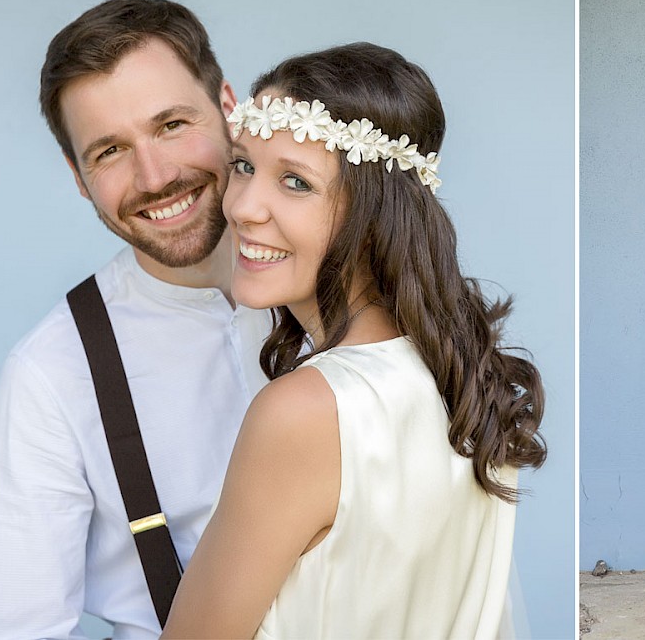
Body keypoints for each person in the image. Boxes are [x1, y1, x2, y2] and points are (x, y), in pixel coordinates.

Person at [161, 43, 547, 639]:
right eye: (243, 165)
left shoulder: (304, 414)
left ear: (376, 214)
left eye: (294, 181)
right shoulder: (466, 382)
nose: (242, 207)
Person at [0, 0, 270, 639]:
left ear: (228, 108)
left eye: (171, 124)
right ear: (79, 176)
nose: (156, 175)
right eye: (109, 150)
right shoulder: (49, 374)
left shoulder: (349, 292)